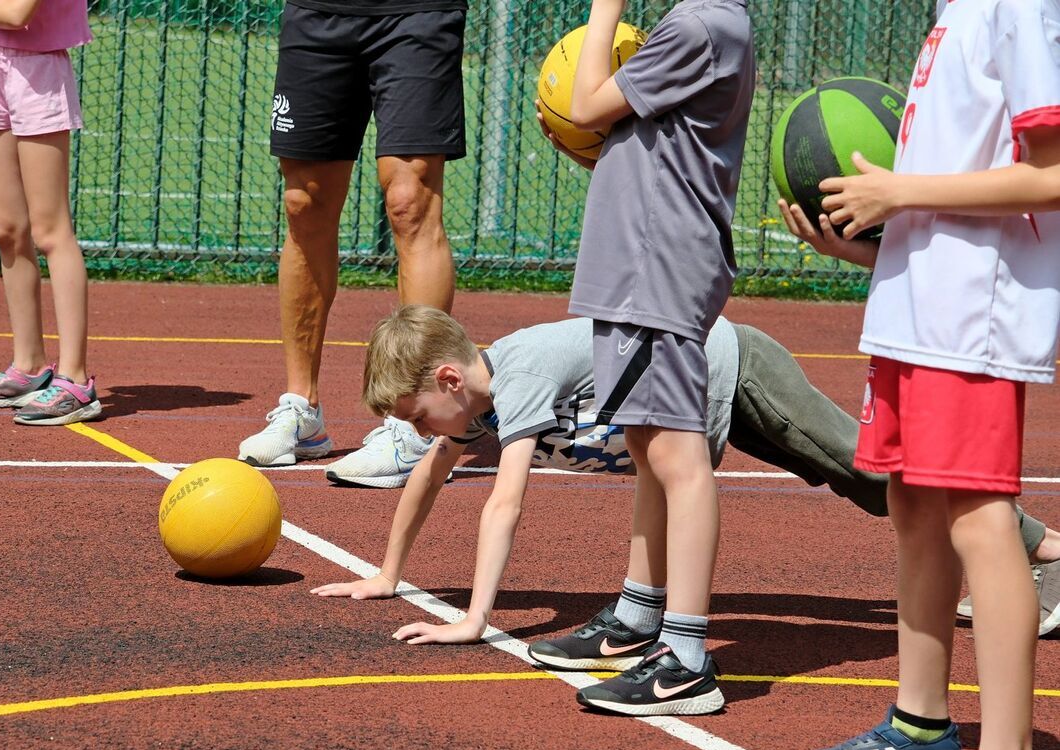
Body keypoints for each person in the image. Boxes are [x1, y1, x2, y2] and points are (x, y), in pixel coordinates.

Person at [310, 307, 1060, 649]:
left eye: (417, 415)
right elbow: (428, 474)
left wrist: (475, 618)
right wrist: (387, 573)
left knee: (871, 473)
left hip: (732, 370)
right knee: (873, 486)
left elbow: (506, 503)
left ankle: (1045, 549)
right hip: (695, 403)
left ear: (448, 376)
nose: (417, 433)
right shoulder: (468, 408)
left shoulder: (521, 375)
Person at [778, 0, 1060, 750]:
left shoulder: (1022, 5)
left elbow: (1051, 173)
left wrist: (899, 191)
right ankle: (921, 726)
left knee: (981, 521)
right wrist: (873, 244)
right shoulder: (958, 8)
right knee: (913, 506)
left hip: (970, 314)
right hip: (916, 302)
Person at [549, 0, 754, 717]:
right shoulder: (699, 23)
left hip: (657, 266)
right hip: (643, 262)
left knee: (677, 456)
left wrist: (606, 11)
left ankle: (687, 658)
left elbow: (586, 103)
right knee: (648, 443)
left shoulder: (701, 26)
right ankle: (639, 617)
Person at [237, 0, 465, 488]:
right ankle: (303, 411)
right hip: (317, 12)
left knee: (411, 202)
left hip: (416, 11)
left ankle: (416, 423)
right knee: (303, 202)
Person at [0, 0, 101, 426]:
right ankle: (29, 367)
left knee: (51, 230)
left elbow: (17, 11)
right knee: (6, 228)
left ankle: (76, 381)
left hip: (38, 71)